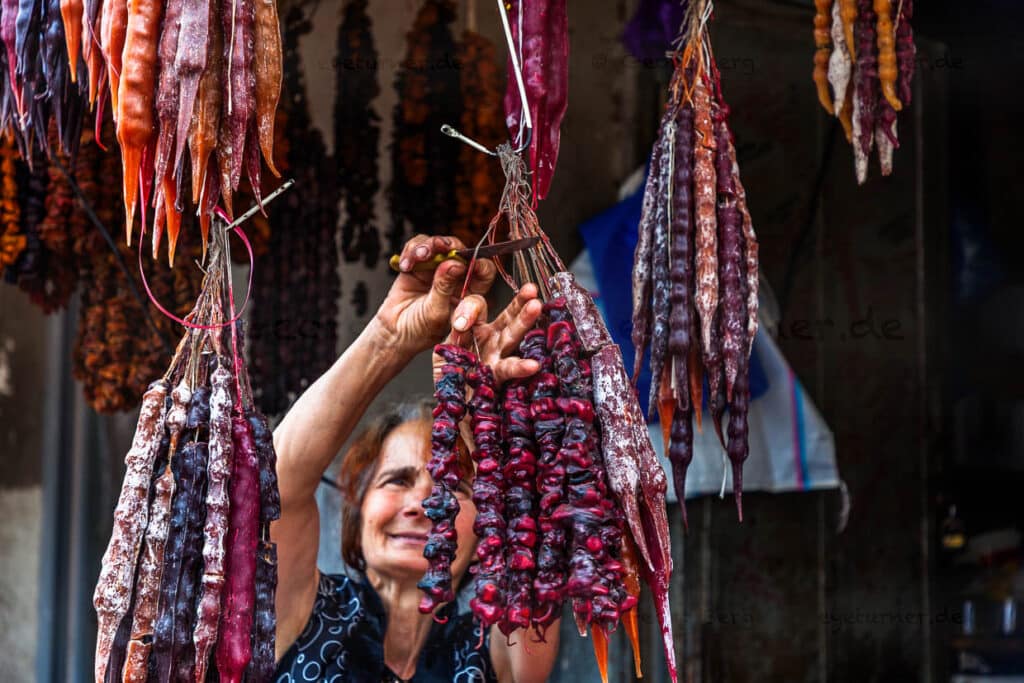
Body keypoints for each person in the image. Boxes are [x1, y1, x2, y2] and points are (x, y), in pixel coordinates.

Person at [271, 235, 560, 682]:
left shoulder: (493, 651)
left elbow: (530, 540)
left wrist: (478, 417)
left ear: (487, 525)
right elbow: (277, 485)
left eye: (456, 488)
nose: (425, 504)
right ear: (357, 505)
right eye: (397, 480)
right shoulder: (301, 611)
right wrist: (389, 338)